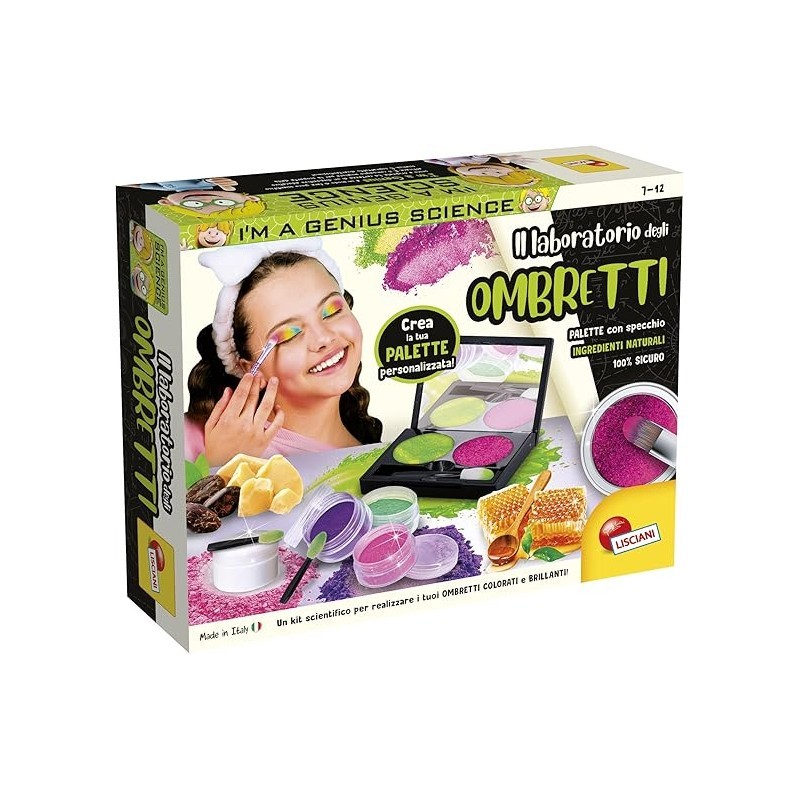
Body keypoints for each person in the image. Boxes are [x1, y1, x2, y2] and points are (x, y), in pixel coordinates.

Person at [185, 238, 382, 466]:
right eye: (290, 335)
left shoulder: (377, 457)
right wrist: (221, 464)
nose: (323, 338)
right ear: (251, 368)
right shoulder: (188, 438)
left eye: (332, 311)